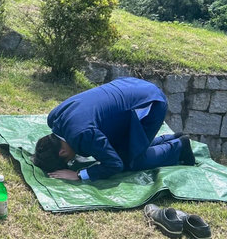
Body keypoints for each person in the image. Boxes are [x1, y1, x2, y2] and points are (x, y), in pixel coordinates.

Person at [33, 77, 195, 181]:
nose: (72, 160)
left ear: (62, 153)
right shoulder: (54, 117)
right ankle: (172, 138)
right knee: (121, 149)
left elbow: (114, 164)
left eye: (68, 161)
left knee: (129, 161)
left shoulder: (82, 134)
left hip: (149, 102)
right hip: (130, 86)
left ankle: (179, 148)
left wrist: (78, 175)